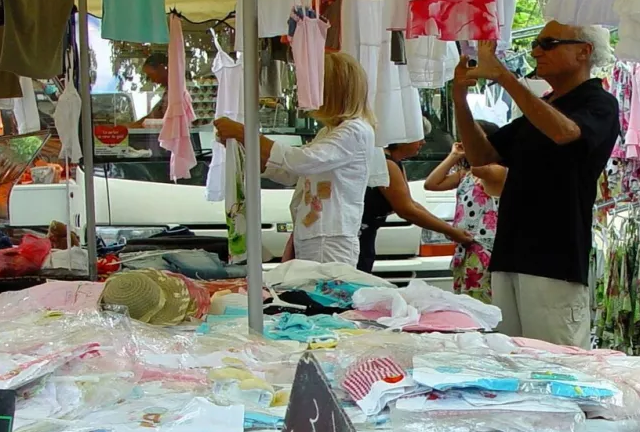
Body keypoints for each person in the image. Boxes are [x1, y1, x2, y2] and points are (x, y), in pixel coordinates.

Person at [453, 23, 620, 432]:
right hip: (511, 256)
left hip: (555, 260)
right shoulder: (540, 108)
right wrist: (461, 100)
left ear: (584, 52)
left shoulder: (597, 104)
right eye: (537, 43)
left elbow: (567, 135)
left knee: (562, 379)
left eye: (549, 44)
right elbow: (484, 155)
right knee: (518, 377)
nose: (538, 51)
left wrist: (504, 76)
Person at [214, 50, 377, 265]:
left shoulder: (355, 131)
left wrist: (246, 135)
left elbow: (302, 161)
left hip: (329, 236)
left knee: (323, 293)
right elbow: (291, 174)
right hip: (314, 232)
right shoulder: (329, 132)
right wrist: (246, 145)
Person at [356, 139, 473, 274]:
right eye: (418, 137)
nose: (423, 142)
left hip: (366, 236)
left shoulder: (394, 162)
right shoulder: (386, 163)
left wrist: (448, 229)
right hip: (358, 235)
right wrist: (450, 231)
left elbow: (410, 203)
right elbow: (406, 210)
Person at [424, 130, 505, 301]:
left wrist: (477, 146)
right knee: (465, 302)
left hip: (485, 248)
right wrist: (453, 156)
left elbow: (480, 168)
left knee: (481, 301)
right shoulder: (465, 175)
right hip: (465, 248)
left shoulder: (497, 171)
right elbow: (431, 183)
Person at [136, 51, 168, 124]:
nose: (153, 80)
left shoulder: (177, 91)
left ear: (161, 68)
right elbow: (153, 116)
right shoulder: (167, 93)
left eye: (152, 75)